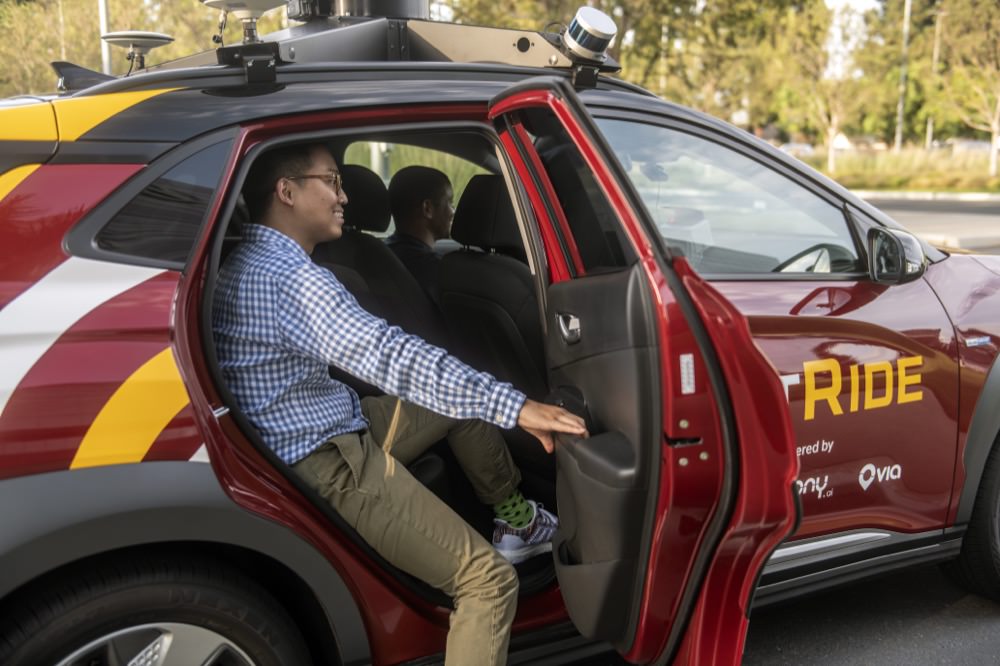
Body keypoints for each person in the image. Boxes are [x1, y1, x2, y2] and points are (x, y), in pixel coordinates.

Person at [213, 143, 588, 666]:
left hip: (325, 424)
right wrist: (516, 406)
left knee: (454, 399)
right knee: (488, 581)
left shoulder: (239, 260)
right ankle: (509, 540)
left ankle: (516, 521)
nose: (345, 196)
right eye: (333, 181)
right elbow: (389, 356)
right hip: (329, 461)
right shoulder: (292, 281)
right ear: (287, 192)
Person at [385, 165, 453, 306]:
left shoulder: (375, 254)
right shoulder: (438, 272)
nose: (452, 212)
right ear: (427, 208)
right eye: (449, 202)